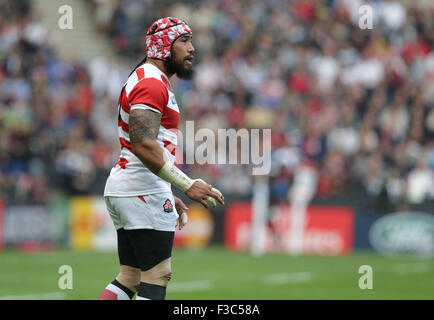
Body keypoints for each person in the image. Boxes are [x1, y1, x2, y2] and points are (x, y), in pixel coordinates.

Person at [99, 17, 224, 300]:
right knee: (157, 276)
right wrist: (186, 184)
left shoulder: (150, 80)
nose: (192, 48)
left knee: (130, 277)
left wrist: (165, 189)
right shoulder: (152, 83)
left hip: (136, 186)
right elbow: (143, 144)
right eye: (184, 41)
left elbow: (145, 145)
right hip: (139, 187)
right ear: (162, 46)